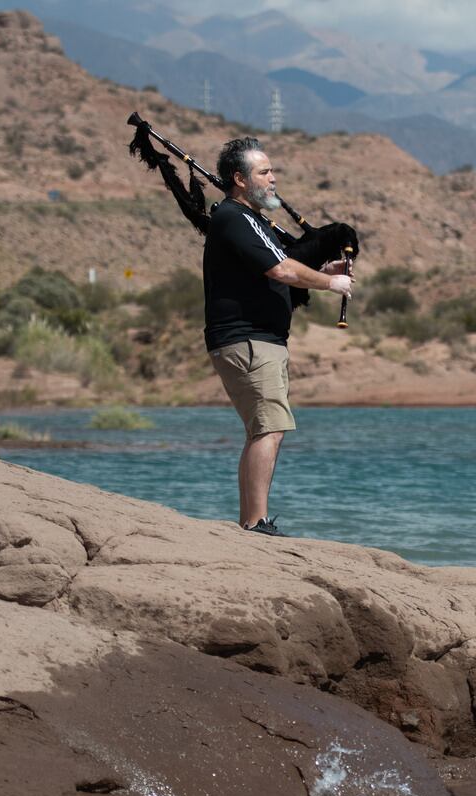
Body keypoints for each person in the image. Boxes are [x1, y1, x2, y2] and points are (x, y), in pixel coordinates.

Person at [204, 137, 353, 536]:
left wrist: (328, 265)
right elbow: (282, 270)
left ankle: (252, 520)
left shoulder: (254, 221)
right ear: (239, 178)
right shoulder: (233, 218)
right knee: (269, 427)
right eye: (264, 172)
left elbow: (287, 261)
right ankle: (256, 524)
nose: (273, 180)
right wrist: (330, 282)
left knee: (265, 428)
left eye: (272, 171)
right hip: (248, 340)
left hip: (263, 340)